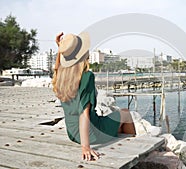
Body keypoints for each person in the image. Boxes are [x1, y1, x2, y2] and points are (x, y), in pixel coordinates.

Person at [52, 32, 136, 161]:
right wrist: (86, 147)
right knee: (125, 113)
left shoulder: (61, 77)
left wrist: (61, 49)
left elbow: (57, 68)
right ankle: (133, 147)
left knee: (115, 122)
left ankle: (119, 138)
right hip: (92, 133)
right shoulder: (86, 76)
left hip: (72, 134)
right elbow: (84, 114)